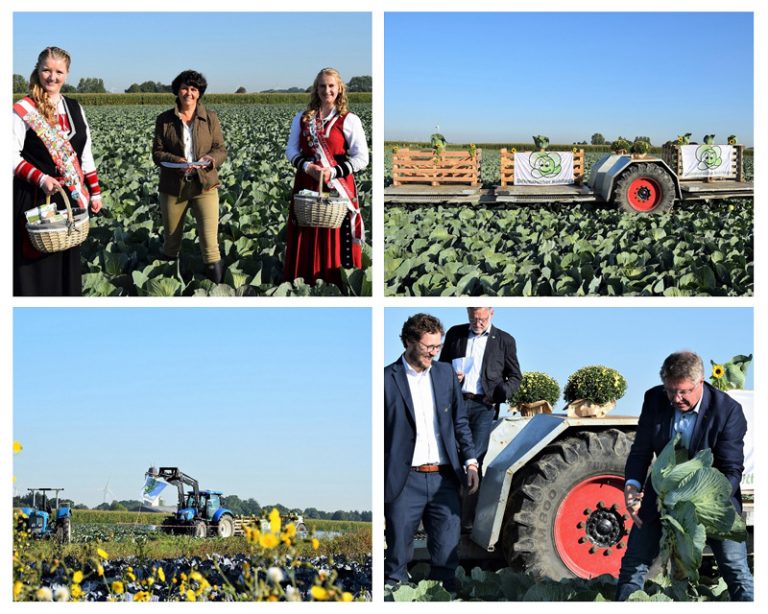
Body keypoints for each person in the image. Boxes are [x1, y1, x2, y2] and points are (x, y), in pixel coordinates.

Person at [615, 351, 753, 601]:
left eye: (684, 391)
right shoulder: (655, 399)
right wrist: (632, 487)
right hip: (662, 496)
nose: (676, 398)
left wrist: (701, 501)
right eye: (670, 390)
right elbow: (641, 451)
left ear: (700, 382)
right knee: (633, 566)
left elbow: (732, 470)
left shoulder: (727, 411)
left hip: (711, 505)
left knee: (736, 570)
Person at [384, 313, 479, 591]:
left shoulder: (445, 373)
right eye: (428, 347)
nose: (434, 353)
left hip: (444, 479)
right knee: (397, 559)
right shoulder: (385, 379)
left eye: (437, 347)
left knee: (447, 556)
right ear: (408, 342)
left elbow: (459, 422)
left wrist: (471, 462)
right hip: (404, 480)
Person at [13, 46, 103, 296]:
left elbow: (85, 153)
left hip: (69, 201)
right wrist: (41, 178)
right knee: (34, 267)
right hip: (34, 199)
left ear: (67, 73)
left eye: (59, 72)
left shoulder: (75, 108)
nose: (52, 77)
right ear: (37, 70)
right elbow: (8, 155)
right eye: (46, 70)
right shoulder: (23, 110)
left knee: (65, 264)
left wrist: (94, 193)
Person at [284, 67, 369, 287]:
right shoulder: (302, 119)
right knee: (307, 232)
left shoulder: (349, 120)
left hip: (337, 187)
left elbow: (362, 158)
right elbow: (291, 151)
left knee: (335, 237)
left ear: (339, 88)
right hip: (307, 183)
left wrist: (333, 171)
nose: (327, 90)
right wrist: (307, 166)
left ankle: (336, 283)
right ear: (316, 88)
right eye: (322, 86)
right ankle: (304, 281)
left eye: (331, 85)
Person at [439, 307, 521, 530]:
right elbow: (440, 367)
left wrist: (500, 393)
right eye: (474, 319)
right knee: (451, 457)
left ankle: (466, 521)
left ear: (491, 314)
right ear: (468, 313)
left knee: (475, 460)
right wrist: (450, 376)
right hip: (456, 402)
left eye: (482, 319)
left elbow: (515, 376)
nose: (478, 323)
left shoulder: (504, 340)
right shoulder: (455, 334)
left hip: (484, 406)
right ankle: (448, 516)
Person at [152, 70, 227, 283]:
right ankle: (167, 287)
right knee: (171, 242)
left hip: (205, 185)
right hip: (173, 187)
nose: (189, 93)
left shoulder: (210, 118)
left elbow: (221, 149)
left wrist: (210, 159)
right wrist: (177, 162)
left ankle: (217, 291)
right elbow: (157, 153)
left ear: (199, 93)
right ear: (177, 90)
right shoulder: (164, 119)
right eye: (185, 88)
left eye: (194, 89)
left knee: (210, 245)